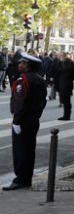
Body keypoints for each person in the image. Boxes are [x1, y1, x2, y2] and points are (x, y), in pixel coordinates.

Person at [3, 53, 46, 191]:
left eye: (22, 63)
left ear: (27, 66)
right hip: (33, 120)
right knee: (29, 150)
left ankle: (20, 179)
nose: (19, 65)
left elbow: (20, 102)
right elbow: (42, 101)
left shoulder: (23, 80)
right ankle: (26, 178)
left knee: (20, 151)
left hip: (23, 121)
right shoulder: (39, 79)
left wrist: (16, 121)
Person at [57, 52, 74, 121]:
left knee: (66, 101)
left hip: (63, 84)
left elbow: (57, 71)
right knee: (67, 101)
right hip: (69, 84)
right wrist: (70, 78)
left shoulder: (61, 64)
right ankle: (67, 115)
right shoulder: (72, 64)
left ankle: (66, 116)